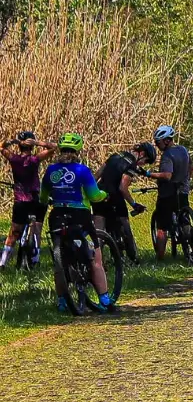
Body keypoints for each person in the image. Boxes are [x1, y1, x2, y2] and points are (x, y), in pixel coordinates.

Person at [41, 133, 113, 311]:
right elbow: (94, 196)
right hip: (79, 215)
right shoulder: (82, 171)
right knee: (96, 259)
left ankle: (62, 302)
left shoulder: (51, 170)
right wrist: (105, 194)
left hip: (57, 215)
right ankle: (104, 300)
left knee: (59, 262)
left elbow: (43, 197)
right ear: (78, 150)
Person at [2, 130, 50, 270]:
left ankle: (2, 262)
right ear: (31, 146)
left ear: (20, 146)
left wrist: (13, 141)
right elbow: (54, 147)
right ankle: (35, 260)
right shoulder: (34, 160)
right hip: (35, 199)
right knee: (37, 228)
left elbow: (1, 147)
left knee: (13, 232)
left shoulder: (14, 159)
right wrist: (38, 142)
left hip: (20, 201)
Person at [94, 141, 149, 261]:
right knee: (125, 226)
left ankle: (97, 262)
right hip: (114, 196)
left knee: (98, 230)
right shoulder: (132, 164)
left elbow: (97, 175)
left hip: (99, 193)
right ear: (142, 154)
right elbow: (123, 188)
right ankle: (133, 258)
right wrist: (134, 204)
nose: (143, 164)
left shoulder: (115, 155)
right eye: (145, 161)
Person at [149, 125, 191, 258]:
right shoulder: (183, 150)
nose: (156, 145)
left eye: (158, 142)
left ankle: (160, 259)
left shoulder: (167, 155)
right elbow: (191, 166)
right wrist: (186, 179)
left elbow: (167, 175)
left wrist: (149, 174)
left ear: (166, 140)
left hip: (167, 194)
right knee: (184, 219)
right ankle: (192, 247)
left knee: (162, 228)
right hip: (183, 191)